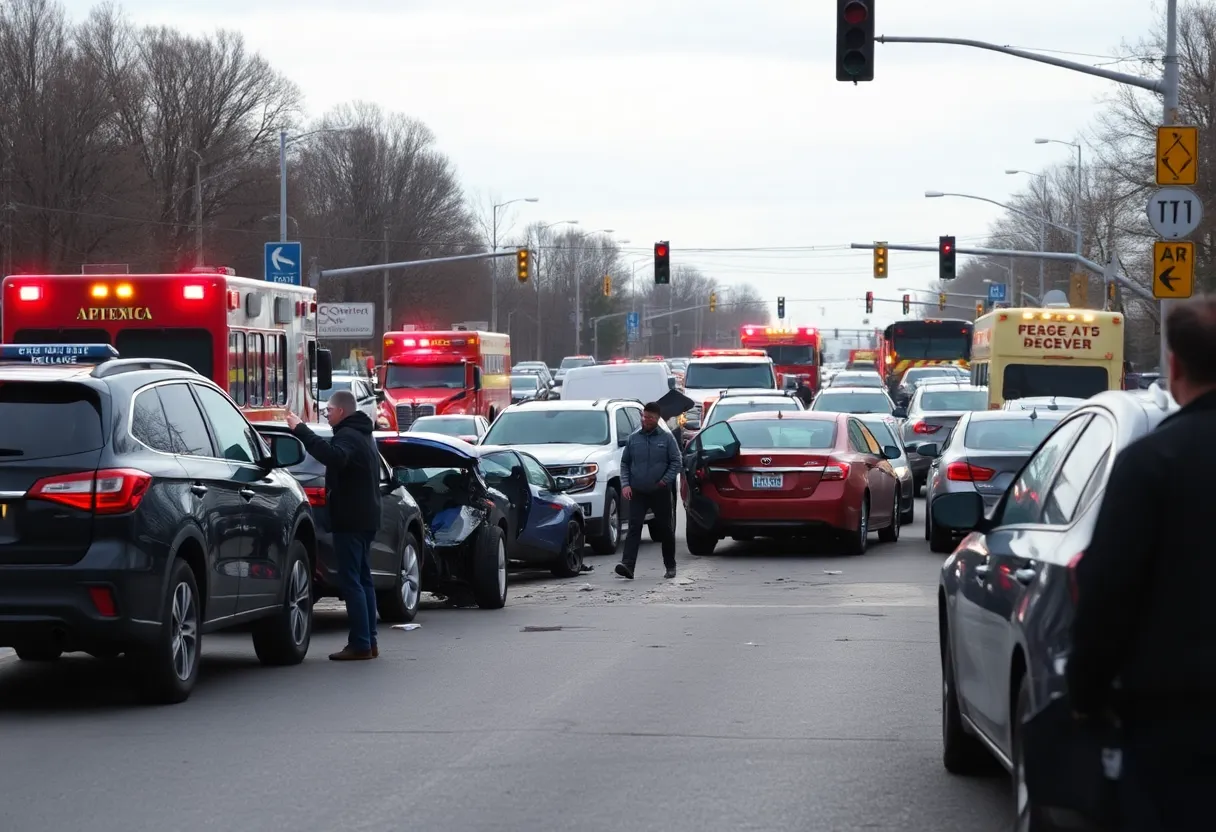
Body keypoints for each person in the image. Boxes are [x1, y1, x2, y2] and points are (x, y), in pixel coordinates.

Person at [1067, 297, 1216, 830]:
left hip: (1175, 722)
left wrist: (1085, 693)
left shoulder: (1152, 463)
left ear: (1173, 367)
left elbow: (1108, 589)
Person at [286, 390, 382, 661]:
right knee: (363, 579)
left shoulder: (348, 435)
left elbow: (333, 457)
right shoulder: (364, 434)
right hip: (365, 518)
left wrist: (301, 430)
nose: (326, 414)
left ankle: (361, 643)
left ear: (341, 410)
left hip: (350, 519)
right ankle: (369, 640)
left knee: (352, 581)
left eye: (328, 410)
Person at [616, 401, 681, 580]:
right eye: (644, 416)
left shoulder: (666, 438)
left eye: (649, 418)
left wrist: (664, 481)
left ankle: (670, 566)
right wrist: (626, 484)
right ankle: (627, 565)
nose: (645, 420)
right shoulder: (633, 438)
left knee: (665, 529)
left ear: (657, 419)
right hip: (638, 491)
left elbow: (677, 462)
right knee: (634, 528)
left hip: (659, 491)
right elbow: (625, 463)